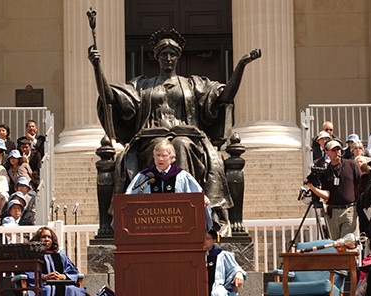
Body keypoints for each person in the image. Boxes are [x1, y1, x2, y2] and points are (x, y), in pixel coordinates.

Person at [88, 29, 261, 233]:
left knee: (181, 144)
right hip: (150, 140)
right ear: (156, 57)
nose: (168, 58)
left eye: (172, 54)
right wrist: (97, 68)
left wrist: (240, 66)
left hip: (188, 139)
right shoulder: (142, 86)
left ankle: (186, 213)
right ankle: (156, 214)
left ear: (178, 57)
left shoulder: (193, 84)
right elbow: (111, 98)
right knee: (161, 146)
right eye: (163, 54)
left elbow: (224, 97)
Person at [26, 227, 86, 296]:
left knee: (72, 290)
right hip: (43, 285)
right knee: (48, 290)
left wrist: (64, 276)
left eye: (49, 237)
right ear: (37, 239)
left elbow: (74, 272)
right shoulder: (33, 257)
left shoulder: (61, 256)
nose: (47, 239)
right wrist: (44, 277)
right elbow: (27, 273)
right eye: (43, 237)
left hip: (63, 284)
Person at [305, 139, 362, 239]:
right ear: (327, 152)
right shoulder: (326, 172)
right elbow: (327, 194)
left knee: (348, 243)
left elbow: (361, 184)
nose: (337, 152)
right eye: (333, 150)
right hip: (333, 212)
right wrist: (311, 187)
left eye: (338, 149)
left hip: (349, 210)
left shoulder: (351, 165)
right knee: (335, 245)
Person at [204, 229, 245, 296]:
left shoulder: (221, 255)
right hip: (197, 290)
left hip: (216, 288)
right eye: (201, 238)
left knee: (219, 292)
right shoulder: (190, 256)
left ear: (214, 240)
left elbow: (235, 268)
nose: (204, 241)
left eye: (207, 238)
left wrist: (238, 274)